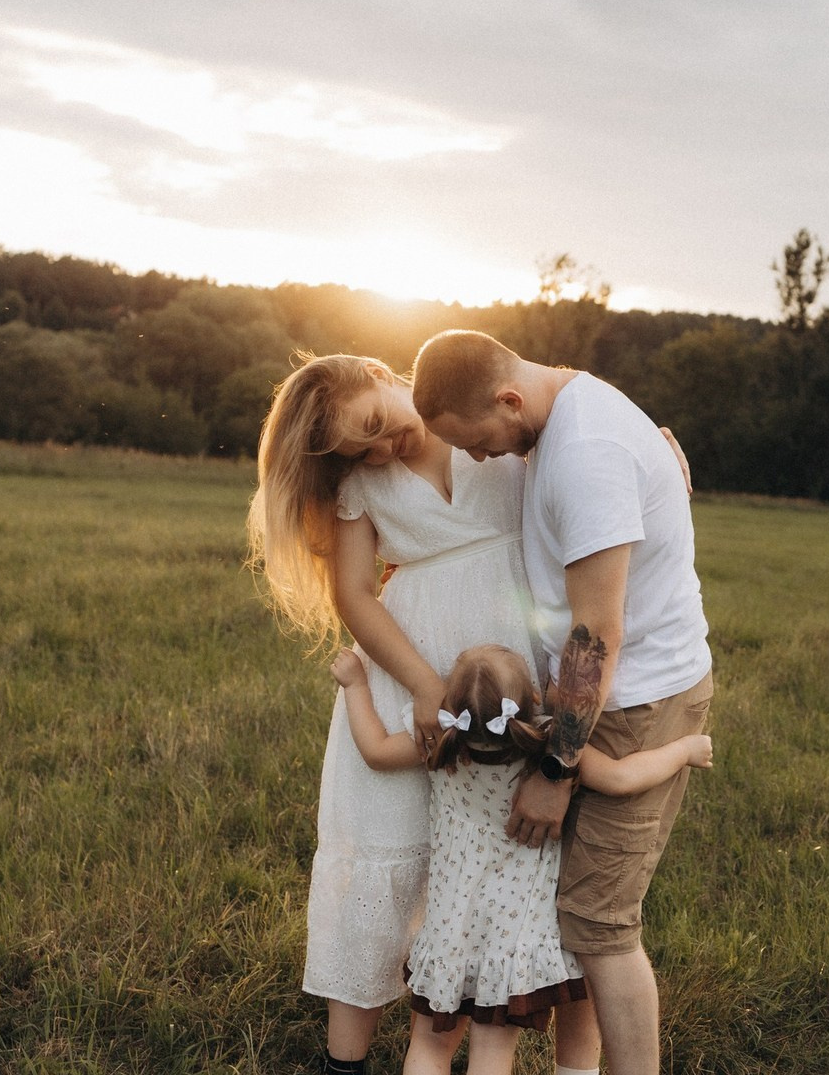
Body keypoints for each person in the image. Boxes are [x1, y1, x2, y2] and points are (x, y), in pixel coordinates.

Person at [245, 353, 601, 1075]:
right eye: (360, 449)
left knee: (503, 853)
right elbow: (353, 594)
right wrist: (419, 686)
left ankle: (489, 1028)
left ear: (380, 370)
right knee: (384, 841)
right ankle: (343, 1061)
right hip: (411, 664)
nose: (382, 449)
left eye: (375, 424)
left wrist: (651, 437)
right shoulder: (359, 482)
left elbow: (579, 412)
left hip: (508, 666)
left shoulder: (485, 411)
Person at [411, 331, 715, 1075]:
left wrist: (554, 771)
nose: (482, 459)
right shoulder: (564, 408)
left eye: (478, 441)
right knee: (569, 915)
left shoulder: (584, 453)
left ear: (509, 399)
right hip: (596, 700)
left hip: (638, 699)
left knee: (599, 923)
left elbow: (597, 634)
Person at [330, 642, 712, 1075]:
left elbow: (376, 751)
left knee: (430, 1045)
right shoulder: (550, 746)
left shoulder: (440, 744)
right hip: (511, 940)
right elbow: (621, 779)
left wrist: (356, 685)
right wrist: (683, 751)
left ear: (451, 707)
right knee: (492, 1054)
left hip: (450, 924)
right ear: (533, 698)